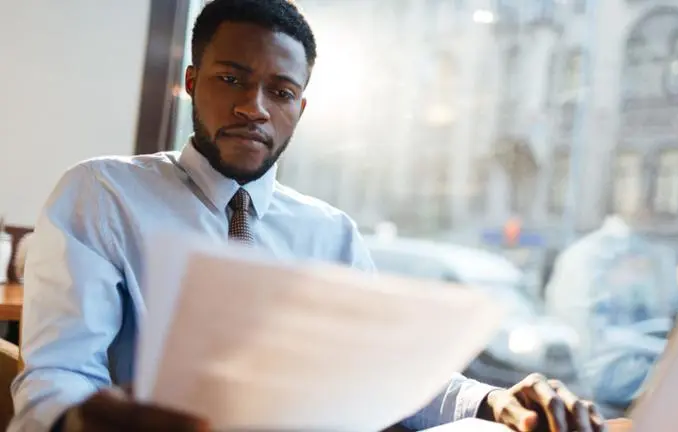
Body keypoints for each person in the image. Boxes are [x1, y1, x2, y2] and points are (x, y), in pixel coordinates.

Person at [10, 1, 605, 431]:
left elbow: (384, 377)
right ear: (191, 83)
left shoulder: (331, 232)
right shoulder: (103, 193)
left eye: (281, 91)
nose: (254, 108)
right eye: (231, 80)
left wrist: (491, 402)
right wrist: (78, 424)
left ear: (301, 105)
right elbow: (56, 375)